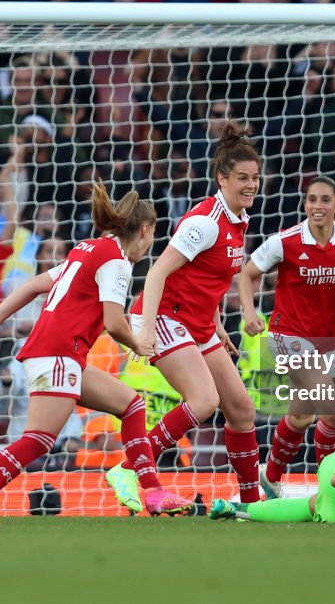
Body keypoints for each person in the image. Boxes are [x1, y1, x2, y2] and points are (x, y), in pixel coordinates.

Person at [0, 184, 194, 525]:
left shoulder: (87, 248)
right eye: (153, 235)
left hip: (62, 354)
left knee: (131, 405)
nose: (151, 243)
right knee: (38, 438)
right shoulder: (116, 262)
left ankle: (153, 493)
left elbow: (34, 284)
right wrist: (138, 343)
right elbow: (113, 320)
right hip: (57, 354)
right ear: (144, 230)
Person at [107, 124, 262, 510]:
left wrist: (220, 327)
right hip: (163, 316)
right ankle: (128, 467)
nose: (251, 185)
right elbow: (158, 272)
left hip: (197, 323)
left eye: (255, 177)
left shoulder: (239, 220)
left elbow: (206, 278)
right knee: (204, 400)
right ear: (221, 178)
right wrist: (141, 331)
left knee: (241, 409)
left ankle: (250, 503)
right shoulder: (204, 222)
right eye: (242, 178)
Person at [238, 177, 335, 498]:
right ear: (305, 205)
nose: (317, 207)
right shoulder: (286, 241)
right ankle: (332, 486)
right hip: (287, 335)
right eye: (311, 200)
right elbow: (248, 274)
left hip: (328, 340)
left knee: (302, 415)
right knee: (332, 407)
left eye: (324, 200)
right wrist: (250, 313)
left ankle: (271, 476)